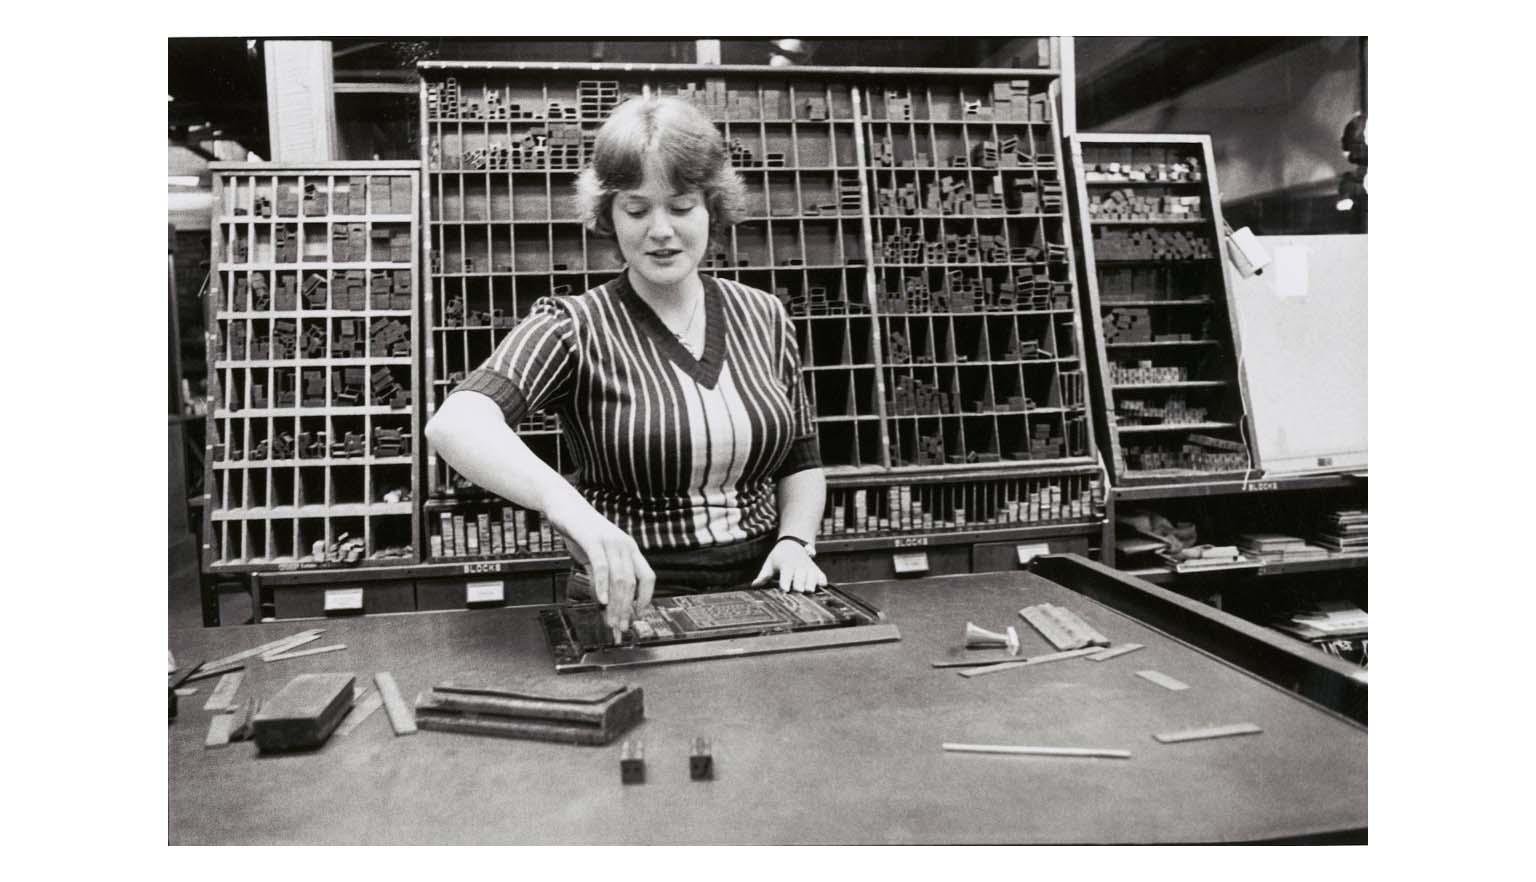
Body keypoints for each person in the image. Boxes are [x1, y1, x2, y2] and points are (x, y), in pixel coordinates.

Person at [425, 95, 827, 641]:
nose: (660, 230)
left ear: (714, 207)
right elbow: (455, 424)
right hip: (633, 599)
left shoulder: (765, 316)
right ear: (609, 217)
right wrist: (569, 508)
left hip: (762, 592)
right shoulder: (573, 326)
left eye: (681, 206)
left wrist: (794, 541)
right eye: (637, 210)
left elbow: (801, 458)